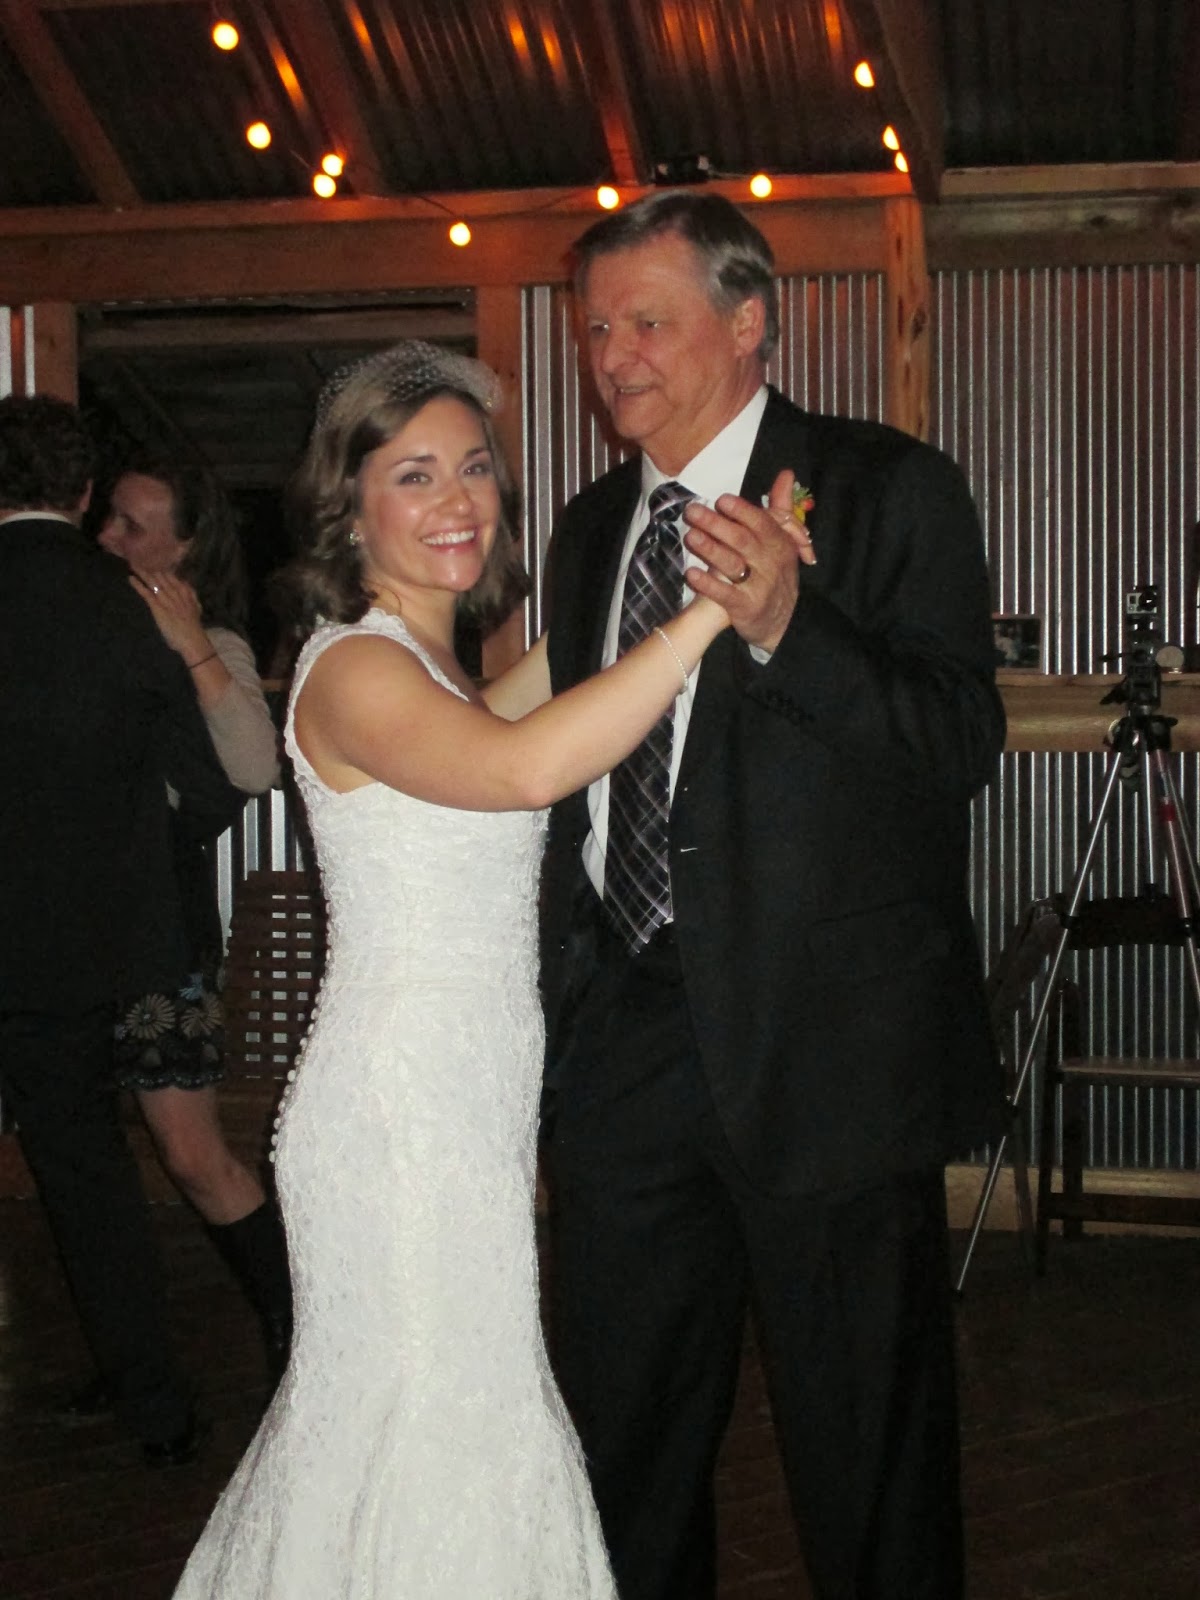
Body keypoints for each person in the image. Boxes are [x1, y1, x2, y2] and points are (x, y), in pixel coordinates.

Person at [170, 339, 783, 1598]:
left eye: (473, 468)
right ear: (349, 506)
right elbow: (526, 767)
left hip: (463, 1109)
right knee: (428, 1429)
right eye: (413, 475)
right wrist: (715, 613)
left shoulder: (440, 671)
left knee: (445, 1421)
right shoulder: (353, 665)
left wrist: (661, 552)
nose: (457, 500)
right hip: (399, 1124)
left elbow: (538, 695)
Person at [537, 191, 1008, 1600]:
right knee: (626, 1444)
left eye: (648, 321)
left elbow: (957, 743)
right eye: (597, 329)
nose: (615, 356)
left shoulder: (886, 487)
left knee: (868, 1455)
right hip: (626, 1038)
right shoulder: (588, 530)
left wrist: (794, 626)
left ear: (749, 321)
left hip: (827, 1048)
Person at [0, 394, 244, 1466]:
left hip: (20, 936)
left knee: (77, 1166)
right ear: (84, 491)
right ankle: (162, 1406)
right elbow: (212, 785)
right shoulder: (128, 607)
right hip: (117, 933)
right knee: (131, 1162)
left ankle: (144, 1389)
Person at [49, 456, 290, 1418]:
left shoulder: (212, 639)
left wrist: (189, 643)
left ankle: (299, 1330)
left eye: (136, 526)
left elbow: (254, 766)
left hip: (157, 931)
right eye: (108, 519)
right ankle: (133, 1359)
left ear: (186, 549)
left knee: (191, 1155)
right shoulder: (75, 624)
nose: (110, 538)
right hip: (70, 928)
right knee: (87, 1154)